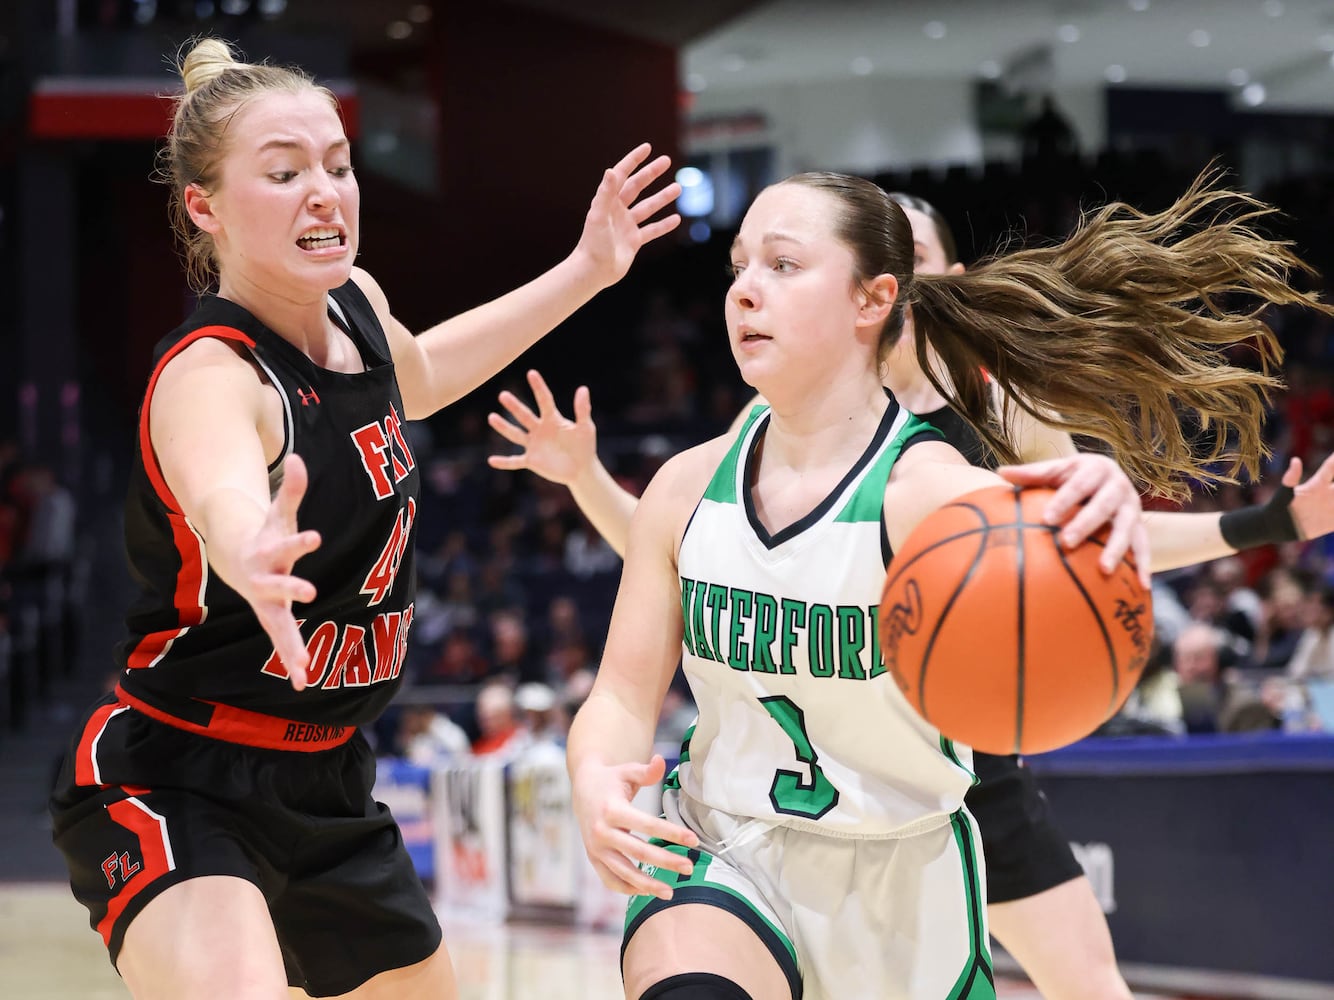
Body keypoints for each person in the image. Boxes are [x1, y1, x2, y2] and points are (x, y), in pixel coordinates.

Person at [489, 191, 1334, 1000]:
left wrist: (1105, 489)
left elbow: (1077, 541)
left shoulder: (952, 461)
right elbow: (633, 666)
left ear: (883, 294)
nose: (745, 287)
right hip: (728, 845)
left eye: (782, 264)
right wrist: (597, 773)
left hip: (918, 838)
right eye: (739, 266)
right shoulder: (689, 483)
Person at [47, 37, 681, 1000]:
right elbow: (221, 484)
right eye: (284, 171)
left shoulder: (356, 308)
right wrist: (246, 545)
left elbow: (423, 376)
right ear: (203, 207)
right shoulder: (211, 374)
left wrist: (588, 269)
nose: (324, 192)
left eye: (337, 166)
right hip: (178, 772)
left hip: (329, 780)